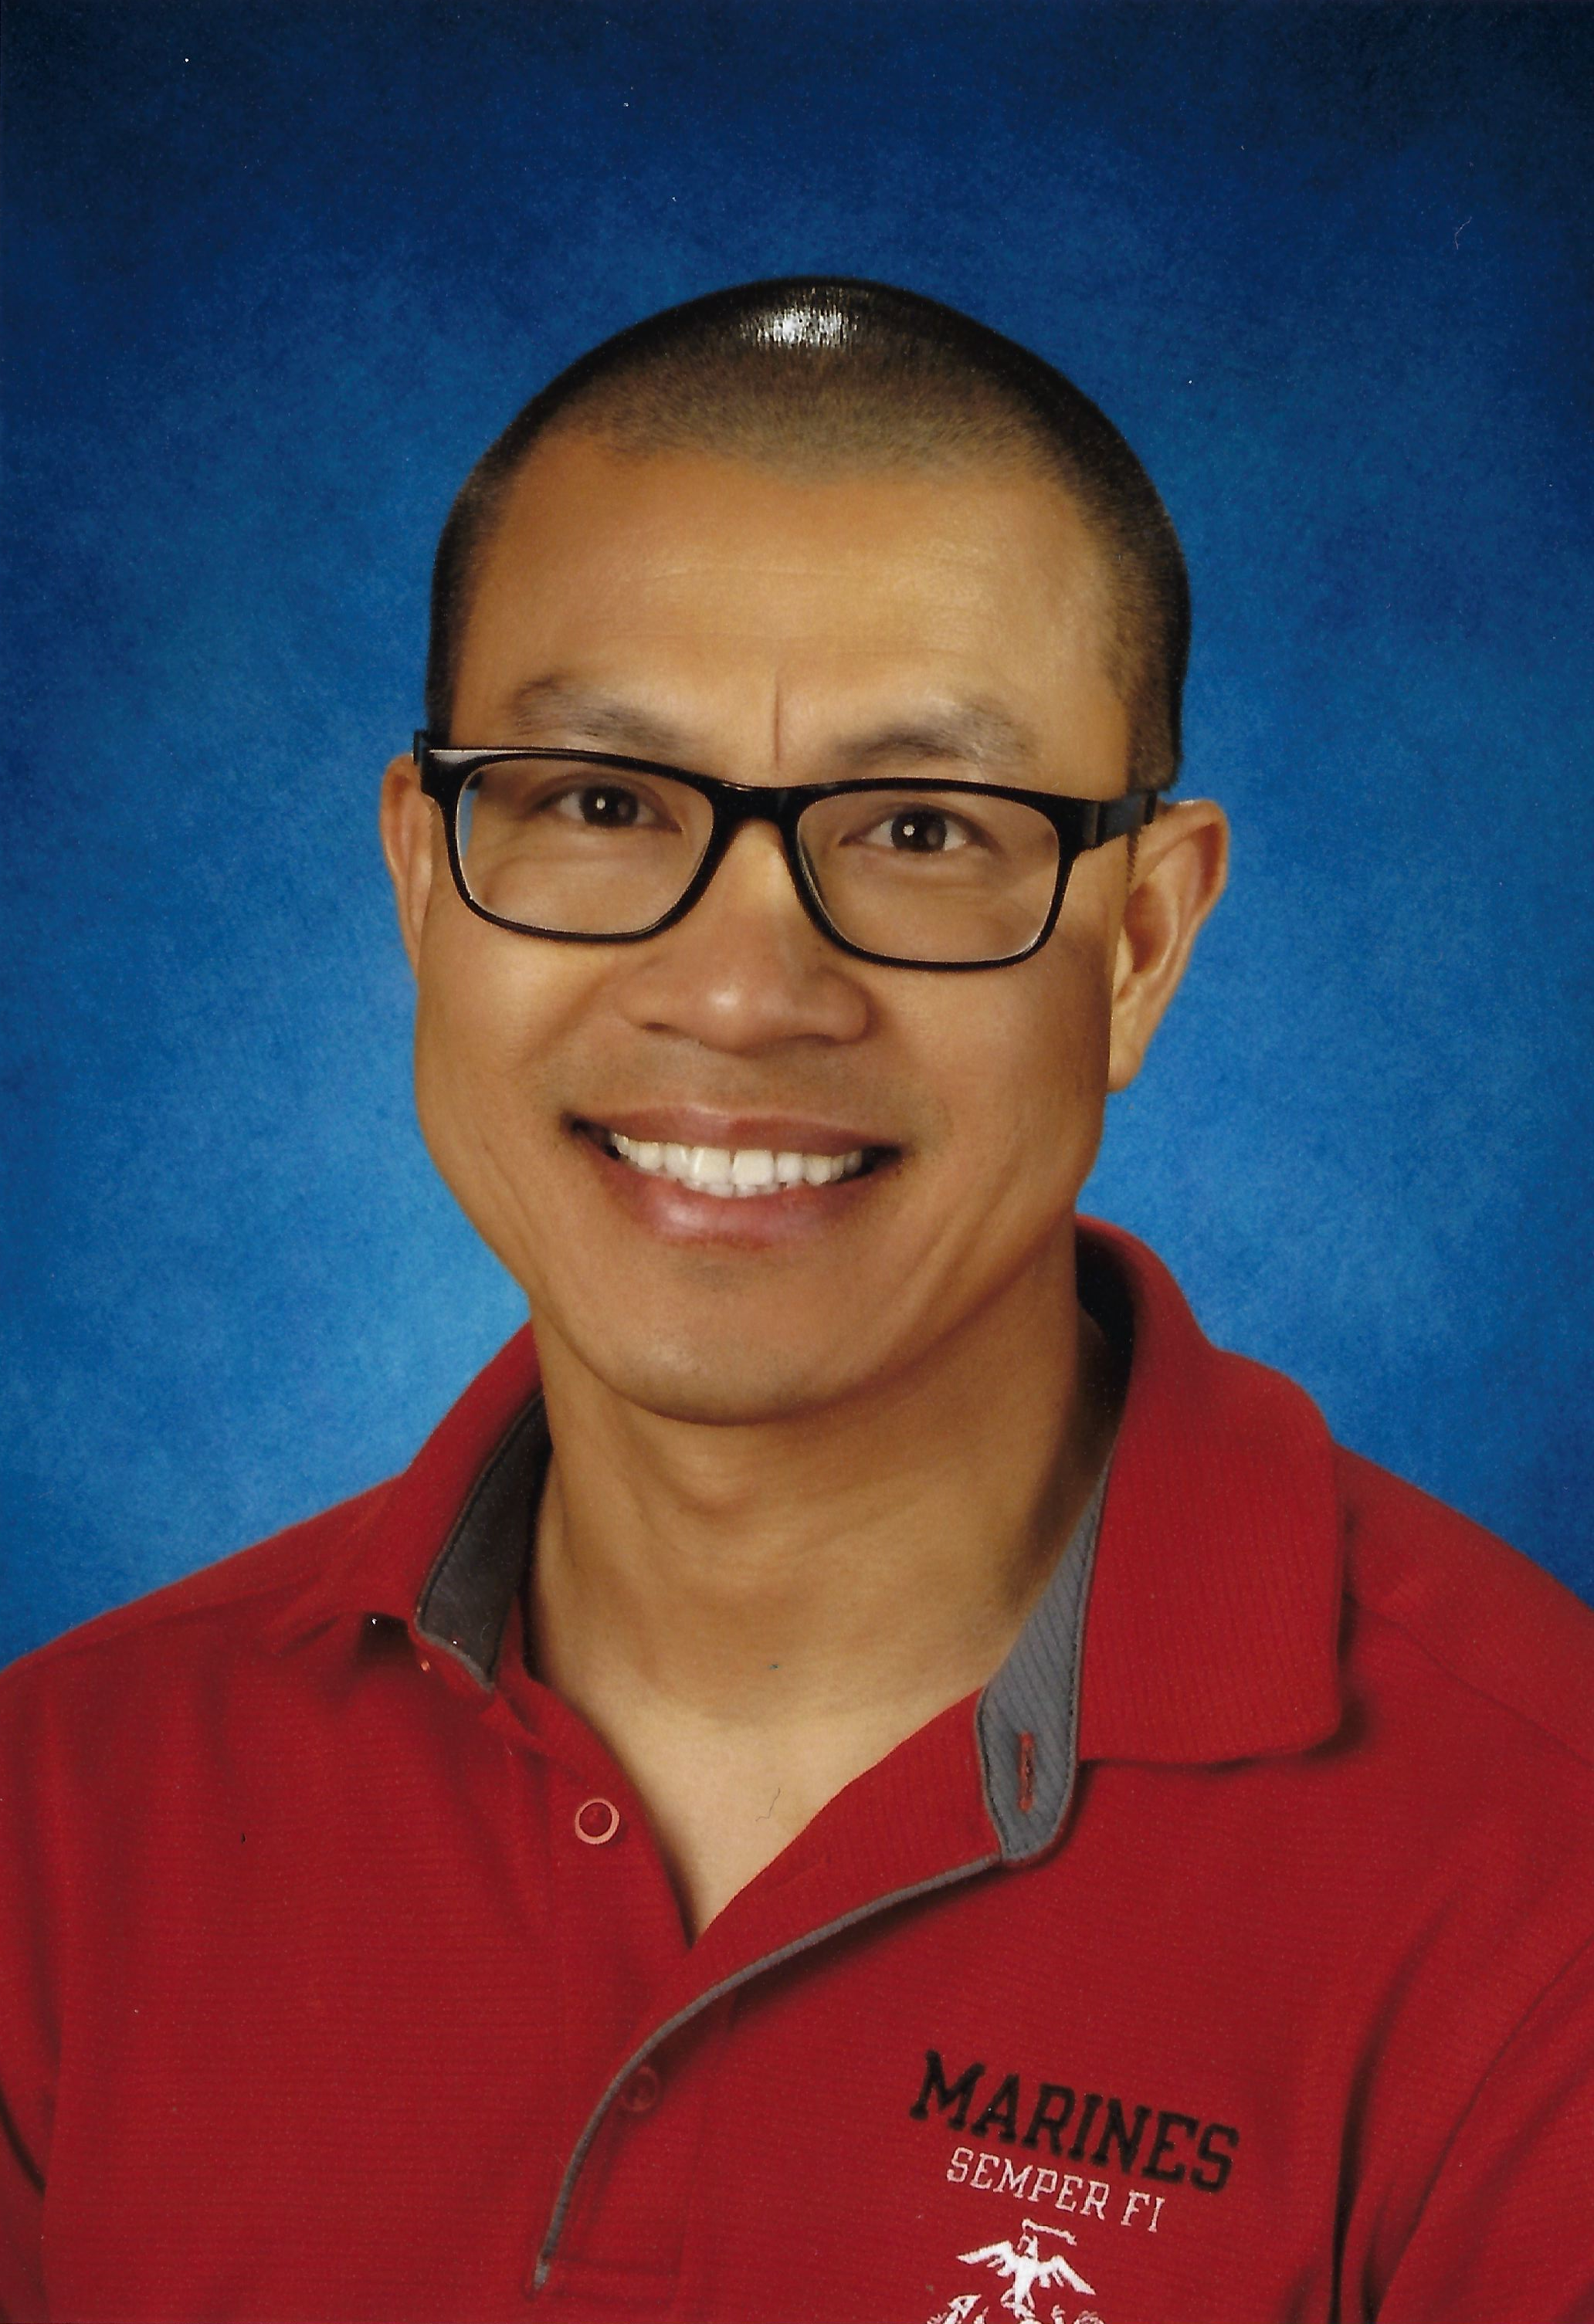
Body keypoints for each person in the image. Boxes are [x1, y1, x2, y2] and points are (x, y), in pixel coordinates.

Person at [2, 278, 1590, 2324]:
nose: (742, 993)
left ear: (1139, 945)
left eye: (922, 829)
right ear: (421, 877)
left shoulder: (1540, 1876)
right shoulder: (61, 1820)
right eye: (598, 802)